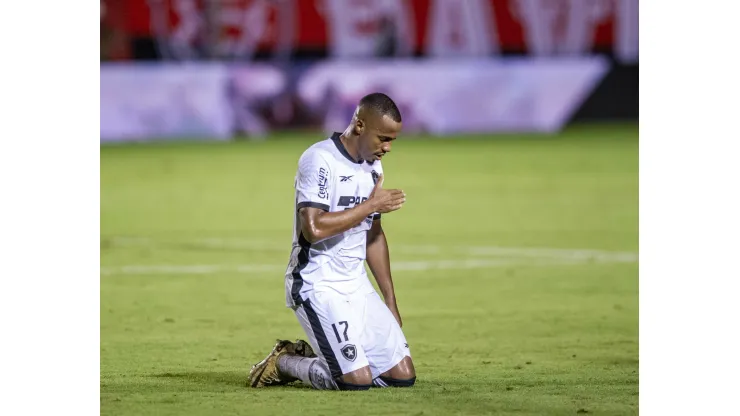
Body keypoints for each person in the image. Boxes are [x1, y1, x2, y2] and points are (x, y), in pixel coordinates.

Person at [248, 92, 416, 391]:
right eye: (383, 138)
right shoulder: (320, 160)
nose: (388, 148)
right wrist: (370, 206)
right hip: (317, 284)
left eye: (393, 140)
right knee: (355, 382)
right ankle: (285, 362)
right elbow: (313, 227)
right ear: (360, 125)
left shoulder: (373, 166)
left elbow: (373, 236)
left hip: (356, 285)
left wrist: (390, 301)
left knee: (401, 377)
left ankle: (334, 353)